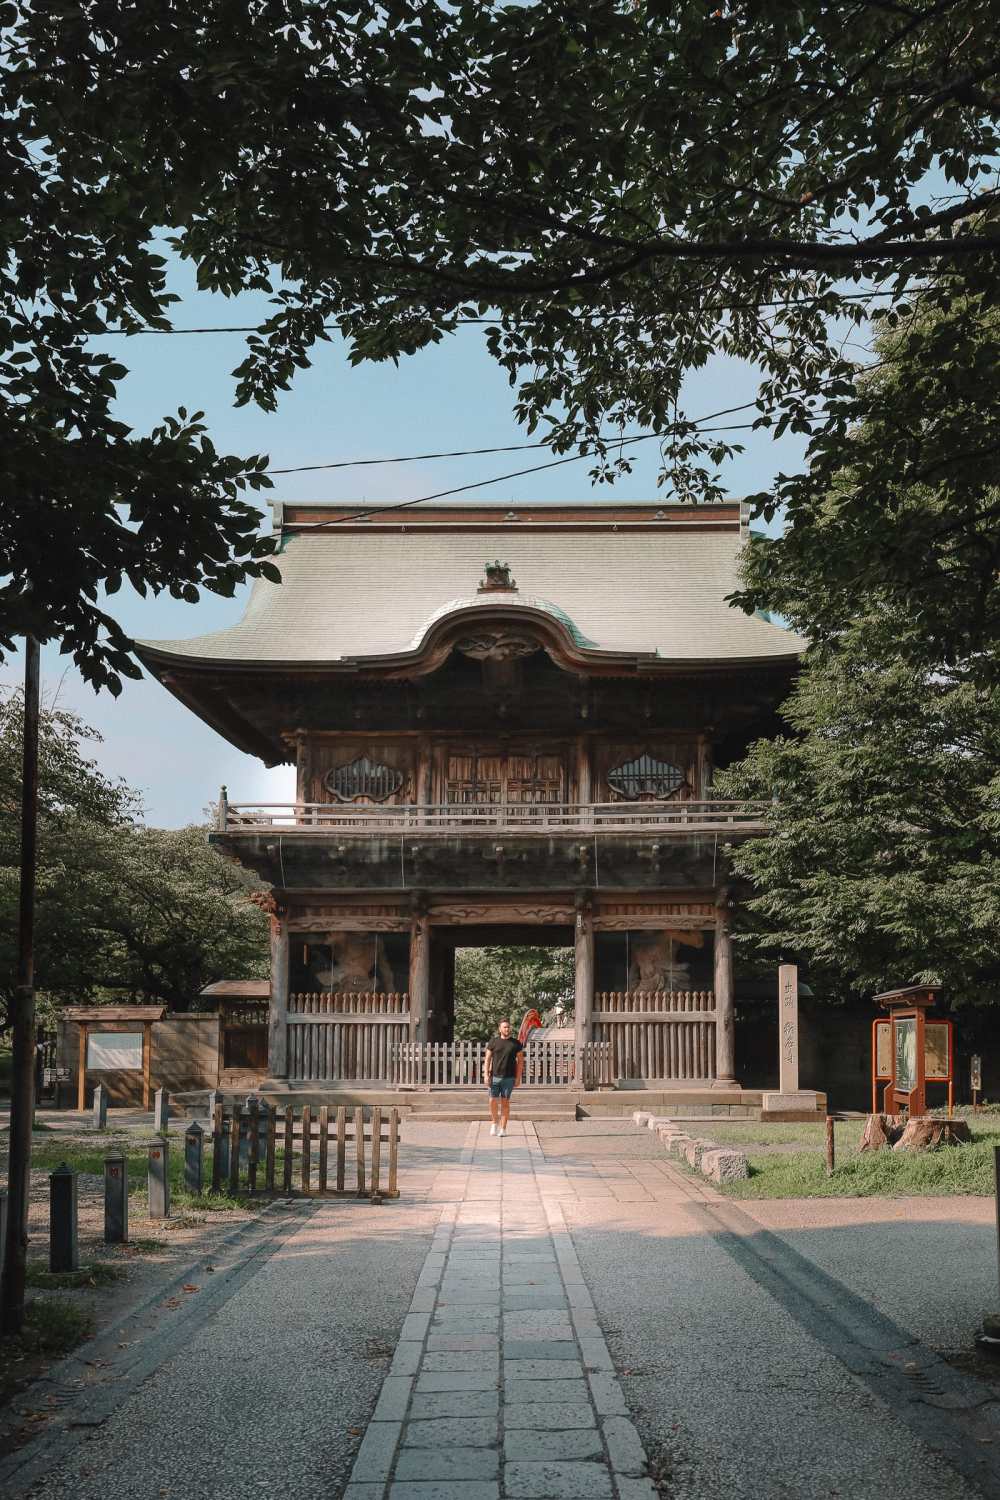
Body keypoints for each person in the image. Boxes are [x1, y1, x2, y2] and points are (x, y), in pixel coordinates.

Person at [484, 1018, 523, 1137]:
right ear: (499, 1029)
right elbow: (487, 1059)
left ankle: (503, 1129)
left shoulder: (516, 1043)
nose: (507, 1029)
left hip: (509, 1078)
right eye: (504, 1027)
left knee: (505, 1103)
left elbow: (520, 1061)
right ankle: (494, 1123)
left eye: (508, 1027)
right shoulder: (493, 1042)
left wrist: (518, 1078)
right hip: (494, 1077)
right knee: (492, 1101)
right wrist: (486, 1074)